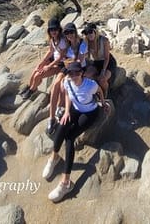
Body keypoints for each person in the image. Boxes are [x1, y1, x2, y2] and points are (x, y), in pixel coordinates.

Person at [42, 61, 108, 202]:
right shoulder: (67, 81)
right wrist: (66, 111)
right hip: (74, 109)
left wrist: (102, 103)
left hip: (89, 112)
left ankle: (66, 182)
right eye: (71, 73)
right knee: (61, 126)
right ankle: (54, 157)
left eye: (77, 73)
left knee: (70, 138)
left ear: (82, 73)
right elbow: (67, 94)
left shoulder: (90, 85)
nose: (73, 75)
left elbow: (100, 91)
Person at [46, 22, 88, 134]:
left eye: (71, 32)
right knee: (56, 84)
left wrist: (69, 61)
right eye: (67, 32)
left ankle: (60, 106)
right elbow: (61, 54)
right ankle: (51, 118)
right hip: (67, 67)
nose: (69, 35)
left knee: (63, 84)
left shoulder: (82, 44)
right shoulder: (68, 44)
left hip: (78, 69)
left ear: (75, 32)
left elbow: (79, 60)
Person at [19, 18, 67, 101]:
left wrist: (48, 66)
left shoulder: (62, 41)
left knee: (38, 75)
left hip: (61, 64)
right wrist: (42, 62)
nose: (53, 31)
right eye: (51, 29)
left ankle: (32, 90)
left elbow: (61, 57)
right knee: (36, 70)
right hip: (54, 60)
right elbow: (51, 51)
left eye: (55, 29)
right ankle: (30, 86)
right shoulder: (53, 39)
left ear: (59, 29)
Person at [82, 22, 117, 97]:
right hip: (96, 62)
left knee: (102, 79)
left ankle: (105, 92)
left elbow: (107, 57)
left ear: (95, 31)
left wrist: (103, 70)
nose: (89, 35)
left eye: (90, 32)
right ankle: (94, 90)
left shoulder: (104, 40)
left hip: (107, 62)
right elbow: (86, 56)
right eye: (86, 33)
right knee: (86, 76)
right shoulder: (87, 42)